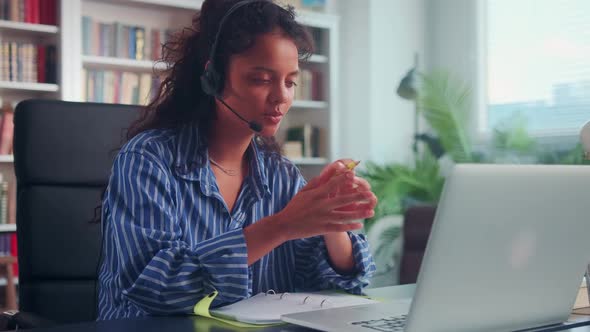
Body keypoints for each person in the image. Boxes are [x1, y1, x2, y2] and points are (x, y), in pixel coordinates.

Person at [97, 0, 378, 320]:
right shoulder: (147, 161)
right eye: (261, 79)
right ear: (213, 78)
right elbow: (156, 289)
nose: (281, 97)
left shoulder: (281, 176)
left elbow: (329, 286)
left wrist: (332, 219)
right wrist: (281, 226)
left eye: (290, 81)